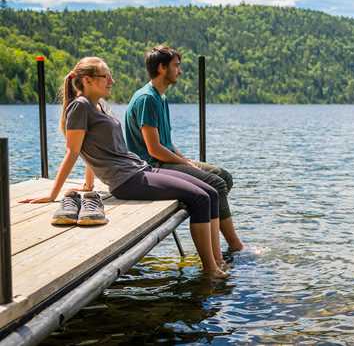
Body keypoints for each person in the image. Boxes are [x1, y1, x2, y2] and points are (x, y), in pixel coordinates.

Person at [21, 57, 227, 278]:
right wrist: (52, 194)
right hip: (126, 180)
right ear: (88, 80)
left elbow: (94, 148)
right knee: (200, 198)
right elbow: (73, 151)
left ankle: (218, 261)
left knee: (211, 192)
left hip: (139, 169)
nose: (112, 80)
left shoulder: (97, 106)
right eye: (105, 76)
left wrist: (89, 183)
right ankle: (210, 270)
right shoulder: (79, 108)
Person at [124, 45, 244, 261]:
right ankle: (230, 247)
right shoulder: (147, 99)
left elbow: (167, 143)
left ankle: (231, 245)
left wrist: (187, 160)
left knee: (223, 176)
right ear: (161, 68)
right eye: (176, 66)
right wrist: (186, 164)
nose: (179, 71)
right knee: (215, 184)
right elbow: (154, 149)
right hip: (152, 167)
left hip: (164, 159)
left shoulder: (160, 97)